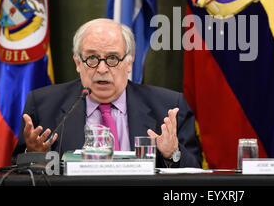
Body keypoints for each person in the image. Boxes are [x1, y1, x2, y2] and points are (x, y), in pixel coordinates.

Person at [13, 18, 202, 168]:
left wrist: (172, 153)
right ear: (78, 63)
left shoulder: (168, 107)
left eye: (112, 58)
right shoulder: (44, 105)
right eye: (92, 58)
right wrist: (35, 156)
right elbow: (17, 171)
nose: (102, 69)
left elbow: (196, 169)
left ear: (129, 62)